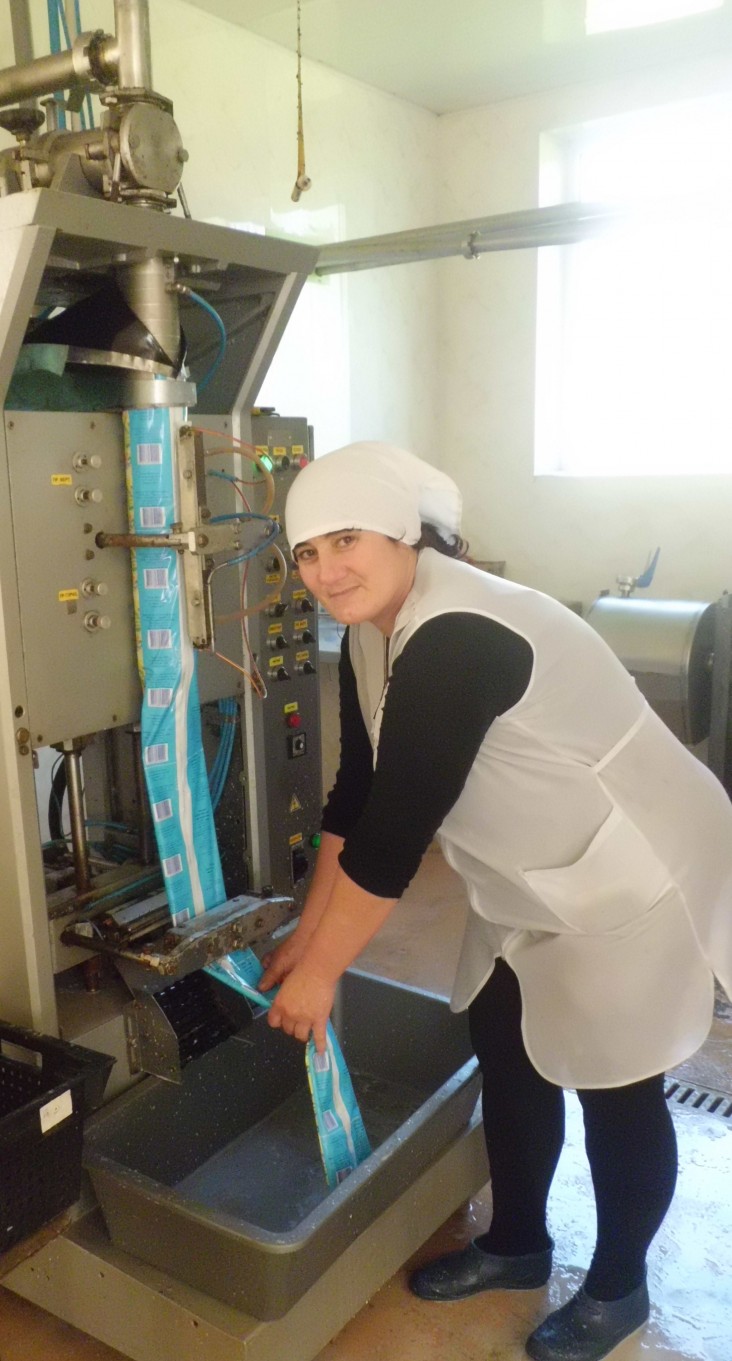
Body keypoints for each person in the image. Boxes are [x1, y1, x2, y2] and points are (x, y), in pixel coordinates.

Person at [259, 440, 732, 1361]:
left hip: (626, 872)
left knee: (617, 1086)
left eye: (345, 539)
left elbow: (396, 836)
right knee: (507, 1048)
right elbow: (358, 794)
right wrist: (303, 937)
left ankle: (618, 1285)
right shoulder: (372, 631)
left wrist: (322, 974)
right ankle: (517, 1244)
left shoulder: (459, 632)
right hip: (525, 872)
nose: (324, 571)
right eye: (307, 552)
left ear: (403, 534)